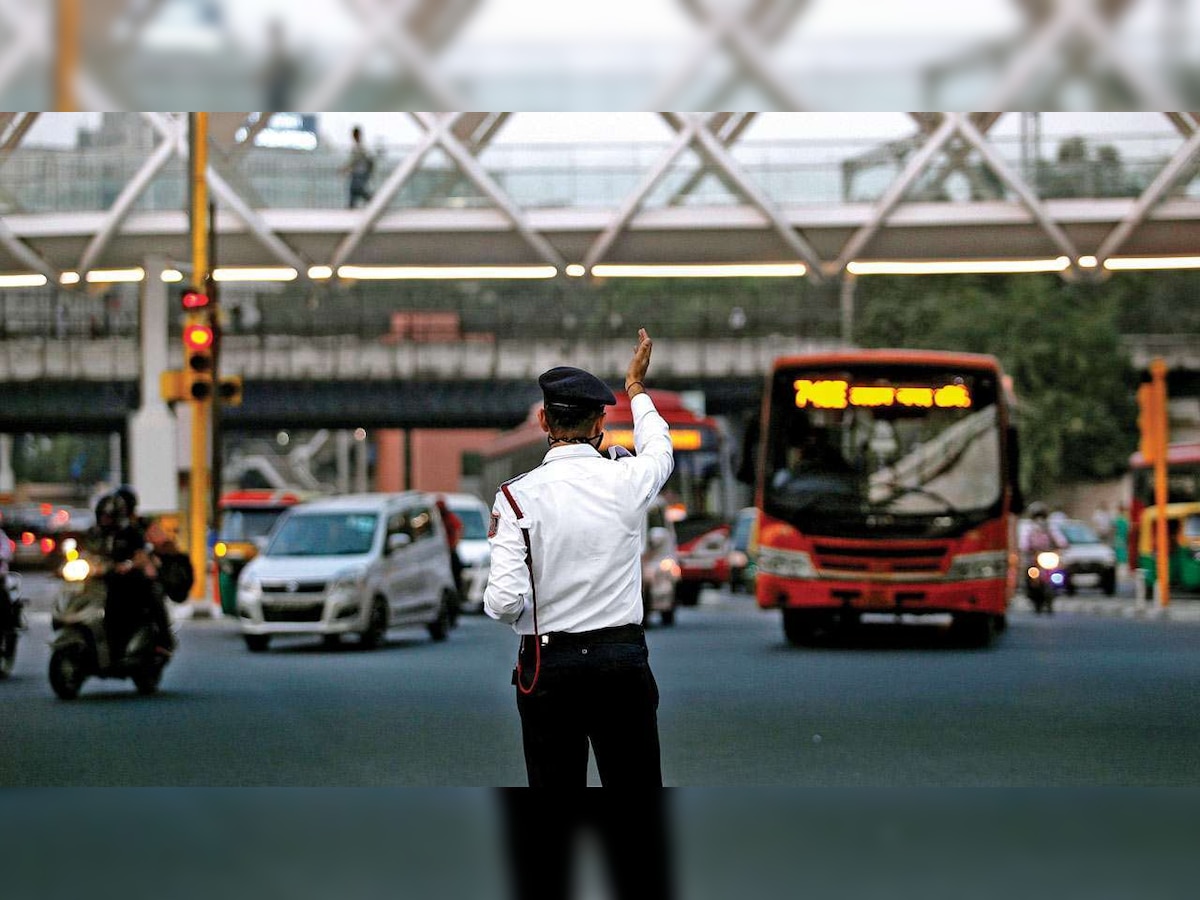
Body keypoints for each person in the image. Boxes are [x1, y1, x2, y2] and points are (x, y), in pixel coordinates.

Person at [484, 328, 674, 788]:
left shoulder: (515, 498)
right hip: (621, 661)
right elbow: (660, 447)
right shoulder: (626, 482)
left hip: (550, 667)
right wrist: (636, 388)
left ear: (545, 422)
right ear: (598, 427)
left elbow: (504, 602)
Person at [435, 495, 465, 602]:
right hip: (441, 551)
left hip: (449, 551)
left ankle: (458, 595)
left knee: (455, 573)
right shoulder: (437, 519)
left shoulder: (449, 518)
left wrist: (453, 545)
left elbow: (458, 530)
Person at [342, 126, 375, 208]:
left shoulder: (360, 147)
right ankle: (351, 206)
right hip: (357, 172)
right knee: (353, 189)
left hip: (360, 172)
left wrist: (345, 168)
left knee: (357, 188)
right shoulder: (359, 146)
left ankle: (373, 200)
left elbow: (355, 160)